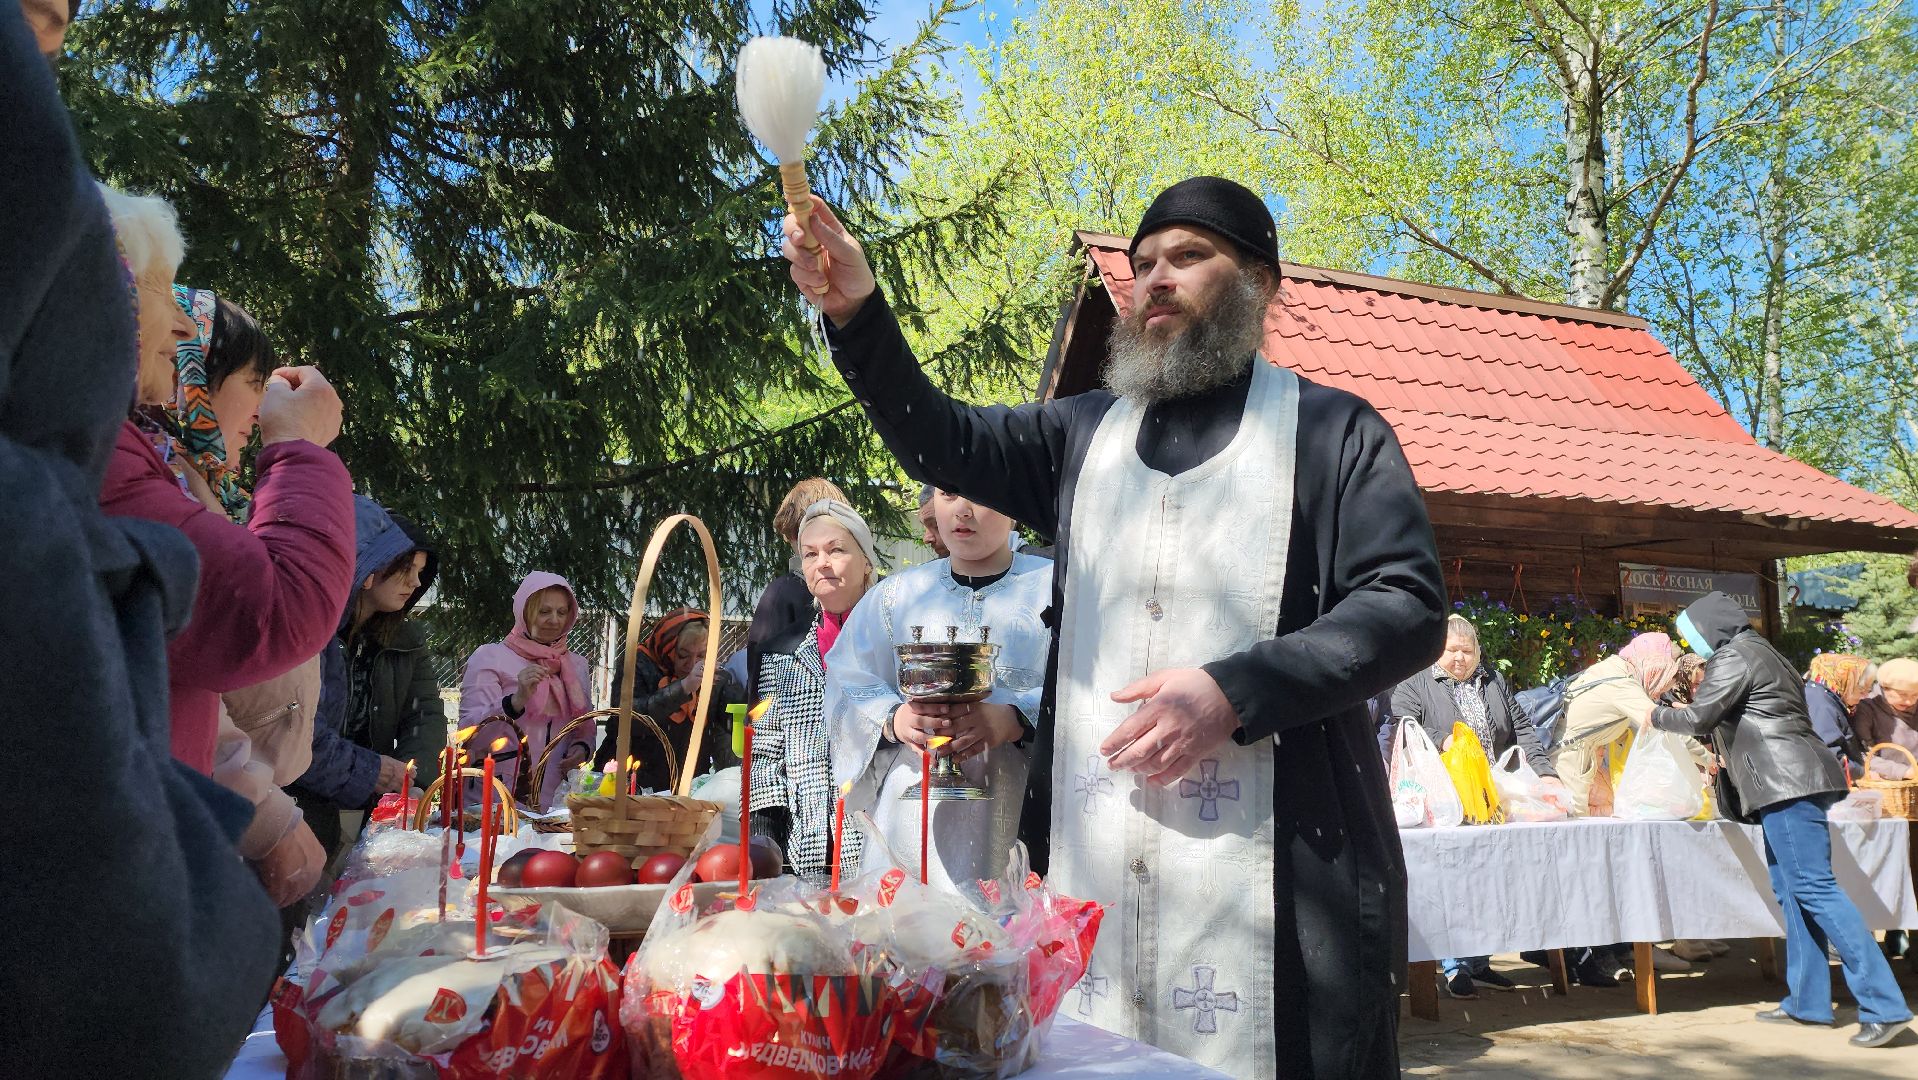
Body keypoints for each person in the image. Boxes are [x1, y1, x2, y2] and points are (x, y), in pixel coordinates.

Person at [783, 176, 1446, 1078]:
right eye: (1141, 265)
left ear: (1260, 283)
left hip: (1286, 871)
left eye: (1188, 257)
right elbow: (944, 439)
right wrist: (859, 312)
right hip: (1098, 863)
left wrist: (1232, 692)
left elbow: (1405, 606)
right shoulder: (1082, 435)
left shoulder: (1334, 433)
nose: (1155, 280)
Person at [1, 7, 279, 1071]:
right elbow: (259, 616)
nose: (169, 326)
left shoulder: (145, 467)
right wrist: (305, 460)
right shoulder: (122, 462)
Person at [95, 185, 356, 779]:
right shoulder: (106, 461)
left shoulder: (165, 471)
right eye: (255, 381)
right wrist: (296, 448)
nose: (183, 324)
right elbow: (272, 611)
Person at [1648, 592, 1912, 1049]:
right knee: (1794, 892)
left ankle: (1884, 1005)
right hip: (1790, 781)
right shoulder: (1762, 651)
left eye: (1690, 635)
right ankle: (1807, 1002)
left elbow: (1699, 717)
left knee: (1814, 888)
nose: (1690, 646)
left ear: (1708, 628)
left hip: (1785, 783)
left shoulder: (1733, 656)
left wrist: (1652, 712)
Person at [826, 488, 1052, 888]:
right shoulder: (897, 595)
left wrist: (1018, 718)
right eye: (949, 494)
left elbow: (1090, 684)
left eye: (980, 492)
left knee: (1006, 938)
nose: (962, 510)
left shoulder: (1053, 588)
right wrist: (895, 718)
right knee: (906, 937)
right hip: (913, 813)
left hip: (1016, 805)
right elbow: (847, 675)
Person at [1389, 614, 1564, 999]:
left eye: (1467, 651)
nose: (1460, 659)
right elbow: (1402, 724)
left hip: (1492, 796)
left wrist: (1546, 774)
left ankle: (1481, 962)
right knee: (1455, 882)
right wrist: (1442, 740)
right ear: (1437, 651)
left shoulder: (1493, 681)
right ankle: (1455, 966)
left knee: (1492, 879)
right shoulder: (1414, 681)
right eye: (1452, 650)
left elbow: (1522, 732)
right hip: (1445, 798)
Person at [291, 498, 435, 863]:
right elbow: (298, 731)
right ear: (371, 565)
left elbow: (425, 716)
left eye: (421, 571)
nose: (416, 583)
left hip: (375, 804)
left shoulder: (406, 639)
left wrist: (409, 783)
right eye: (406, 569)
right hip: (300, 803)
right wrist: (375, 773)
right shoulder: (316, 629)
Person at [750, 499, 881, 882]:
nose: (822, 562)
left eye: (836, 549)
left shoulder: (892, 645)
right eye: (810, 554)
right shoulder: (783, 652)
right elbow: (765, 754)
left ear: (866, 561)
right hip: (802, 854)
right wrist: (764, 837)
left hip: (880, 852)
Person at [460, 572, 594, 809]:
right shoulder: (490, 657)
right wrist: (515, 701)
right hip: (494, 800)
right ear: (524, 612)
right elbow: (469, 735)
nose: (554, 620)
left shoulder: (577, 666)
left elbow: (584, 727)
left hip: (555, 804)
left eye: (562, 612)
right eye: (544, 611)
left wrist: (581, 749)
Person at [609, 607, 747, 792]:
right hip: (634, 780)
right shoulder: (637, 663)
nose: (691, 664)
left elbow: (726, 729)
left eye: (701, 655)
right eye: (683, 655)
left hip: (688, 785)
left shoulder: (714, 678)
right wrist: (683, 688)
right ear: (668, 647)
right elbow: (626, 718)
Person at [1551, 633, 1682, 817]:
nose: (1658, 695)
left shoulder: (1612, 669)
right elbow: (1660, 724)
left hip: (1573, 757)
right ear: (1655, 668)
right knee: (1573, 824)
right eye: (1661, 683)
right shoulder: (1622, 684)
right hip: (1570, 760)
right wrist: (1708, 758)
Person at [747, 477, 851, 697]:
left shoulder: (879, 595)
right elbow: (765, 676)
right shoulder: (785, 593)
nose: (822, 563)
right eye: (809, 551)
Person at [1804, 653, 1873, 778]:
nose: (1865, 696)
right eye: (1861, 690)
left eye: (1868, 690)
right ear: (1844, 682)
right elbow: (1828, 756)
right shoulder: (1821, 704)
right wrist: (1863, 773)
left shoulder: (1826, 697)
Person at [1852, 656, 1918, 781]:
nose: (1909, 701)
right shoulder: (1866, 709)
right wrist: (1903, 771)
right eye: (1902, 695)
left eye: (1915, 695)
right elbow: (1862, 754)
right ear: (1884, 688)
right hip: (1888, 785)